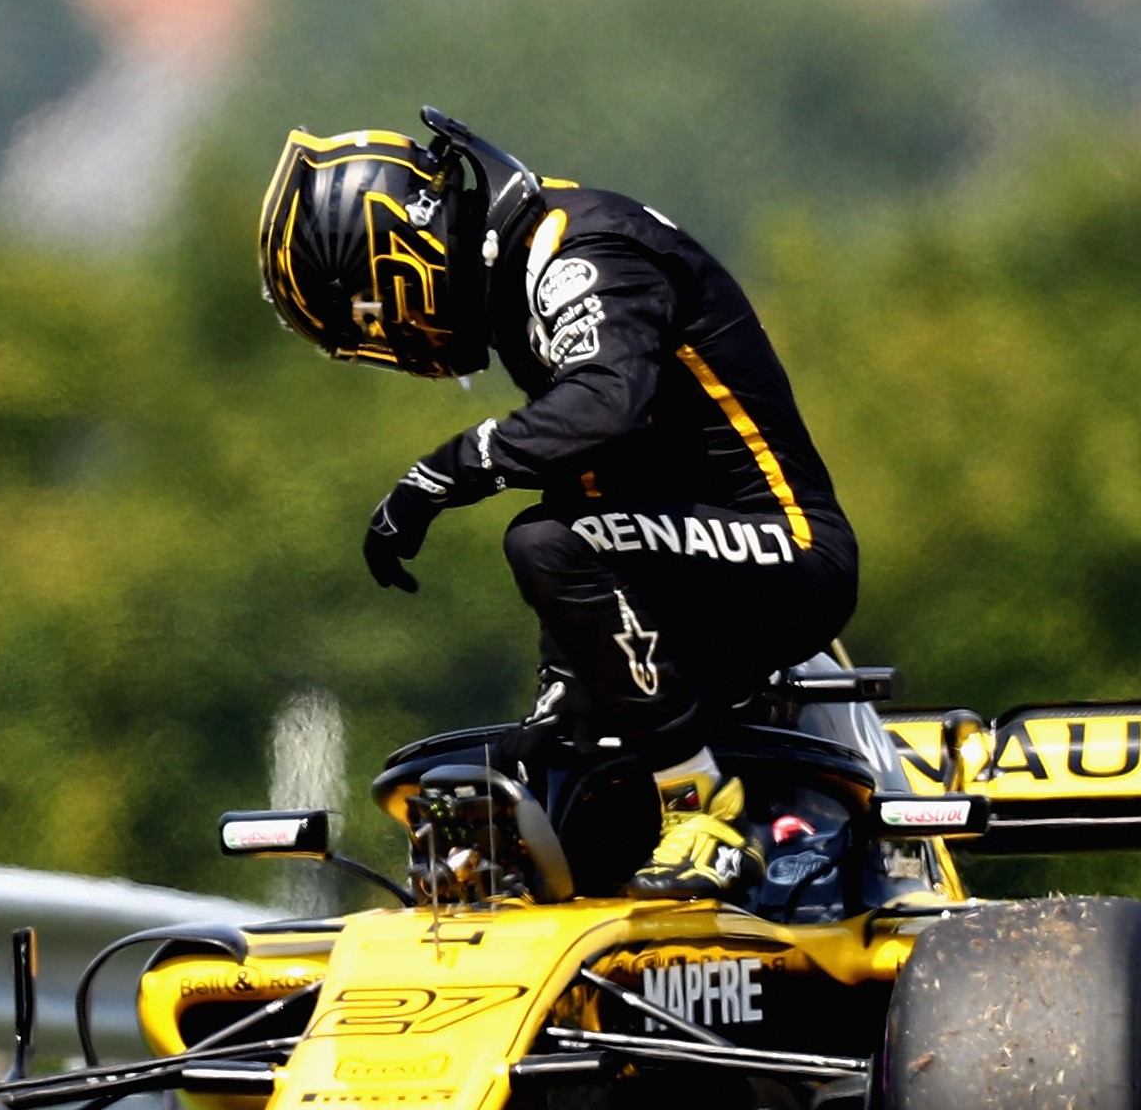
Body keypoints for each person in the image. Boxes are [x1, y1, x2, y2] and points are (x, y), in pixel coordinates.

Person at [256, 108, 859, 898]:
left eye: (379, 317)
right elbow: (598, 484)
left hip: (791, 551)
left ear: (405, 256)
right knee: (532, 744)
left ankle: (703, 804)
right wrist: (558, 705)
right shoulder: (528, 282)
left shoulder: (584, 246)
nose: (400, 346)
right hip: (694, 566)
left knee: (545, 543)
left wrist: (442, 472)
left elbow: (608, 406)